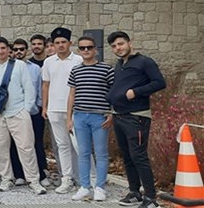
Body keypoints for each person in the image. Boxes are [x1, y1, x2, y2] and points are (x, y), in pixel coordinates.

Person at [106, 31, 165, 208]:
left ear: (130, 43)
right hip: (119, 115)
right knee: (128, 156)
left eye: (121, 44)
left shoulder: (145, 62)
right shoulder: (119, 64)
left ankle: (151, 198)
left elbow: (159, 82)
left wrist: (136, 92)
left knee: (139, 156)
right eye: (114, 46)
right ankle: (134, 193)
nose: (118, 48)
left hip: (136, 117)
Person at [0, 37, 46, 195]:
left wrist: (26, 109)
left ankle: (33, 180)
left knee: (26, 147)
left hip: (17, 112)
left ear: (8, 50)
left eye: (3, 48)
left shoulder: (19, 65)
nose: (1, 51)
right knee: (0, 148)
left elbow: (28, 88)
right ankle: (6, 178)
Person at [67, 36, 114, 202]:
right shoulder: (76, 70)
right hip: (80, 116)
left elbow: (114, 92)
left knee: (101, 153)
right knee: (83, 153)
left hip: (100, 116)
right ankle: (85, 187)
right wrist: (69, 118)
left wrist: (111, 113)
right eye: (82, 48)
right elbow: (72, 94)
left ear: (96, 50)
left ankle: (100, 187)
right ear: (79, 51)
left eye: (89, 47)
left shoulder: (107, 69)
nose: (86, 50)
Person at [41, 27, 83, 194]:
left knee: (79, 145)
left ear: (70, 43)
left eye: (63, 42)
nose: (60, 45)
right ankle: (67, 178)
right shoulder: (48, 62)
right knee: (62, 145)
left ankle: (85, 178)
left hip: (75, 109)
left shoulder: (78, 60)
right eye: (57, 43)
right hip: (54, 108)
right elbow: (46, 85)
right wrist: (45, 106)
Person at [9, 39, 49, 187]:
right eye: (16, 49)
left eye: (22, 49)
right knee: (15, 144)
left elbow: (40, 88)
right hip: (14, 112)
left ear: (26, 51)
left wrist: (38, 106)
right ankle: (19, 174)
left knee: (36, 143)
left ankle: (40, 174)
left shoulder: (35, 69)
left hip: (33, 112)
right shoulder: (7, 68)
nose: (19, 52)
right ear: (11, 51)